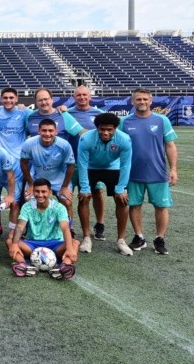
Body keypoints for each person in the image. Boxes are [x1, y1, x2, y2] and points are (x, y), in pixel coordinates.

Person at [119, 88, 178, 255]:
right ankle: (139, 237)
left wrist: (173, 169)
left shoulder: (162, 120)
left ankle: (160, 239)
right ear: (132, 102)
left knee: (161, 206)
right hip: (133, 174)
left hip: (158, 173)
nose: (142, 102)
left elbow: (170, 145)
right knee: (134, 205)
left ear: (150, 101)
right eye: (138, 99)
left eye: (145, 99)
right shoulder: (125, 122)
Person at [77, 112, 132, 255]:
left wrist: (121, 188)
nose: (106, 133)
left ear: (115, 128)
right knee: (84, 198)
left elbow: (126, 165)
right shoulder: (86, 138)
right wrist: (84, 187)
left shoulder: (124, 139)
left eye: (109, 129)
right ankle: (87, 238)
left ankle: (121, 240)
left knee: (122, 200)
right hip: (91, 167)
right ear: (97, 128)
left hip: (113, 167)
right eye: (102, 129)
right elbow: (82, 164)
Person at [9, 178, 78, 280]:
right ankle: (23, 265)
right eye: (37, 191)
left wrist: (69, 248)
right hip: (32, 245)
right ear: (33, 192)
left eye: (43, 191)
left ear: (50, 192)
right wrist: (14, 244)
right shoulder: (27, 206)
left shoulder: (59, 208)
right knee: (10, 241)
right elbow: (20, 226)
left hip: (55, 244)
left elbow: (65, 228)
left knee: (74, 243)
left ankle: (64, 267)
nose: (40, 195)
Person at [0, 87, 30, 236]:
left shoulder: (24, 112)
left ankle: (13, 233)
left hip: (17, 164)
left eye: (11, 98)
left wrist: (63, 108)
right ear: (0, 99)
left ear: (17, 99)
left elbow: (42, 114)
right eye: (5, 98)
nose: (8, 100)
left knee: (15, 201)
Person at [20, 119, 76, 231]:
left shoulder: (64, 145)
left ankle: (69, 229)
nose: (47, 134)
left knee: (67, 202)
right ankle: (32, 229)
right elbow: (23, 163)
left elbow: (71, 166)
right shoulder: (29, 143)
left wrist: (64, 187)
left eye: (50, 130)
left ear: (56, 131)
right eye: (44, 130)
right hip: (37, 179)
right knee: (29, 200)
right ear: (39, 131)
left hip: (59, 180)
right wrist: (31, 184)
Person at [67, 86, 107, 239]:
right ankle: (69, 226)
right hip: (71, 163)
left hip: (93, 164)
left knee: (97, 192)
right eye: (79, 95)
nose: (82, 97)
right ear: (74, 97)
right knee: (68, 196)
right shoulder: (67, 114)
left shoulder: (100, 114)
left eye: (85, 95)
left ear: (90, 96)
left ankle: (100, 224)